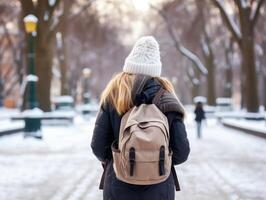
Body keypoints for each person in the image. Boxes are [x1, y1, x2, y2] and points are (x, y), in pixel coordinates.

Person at [91, 36, 190, 200]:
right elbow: (182, 152)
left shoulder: (113, 95)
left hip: (117, 184)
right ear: (156, 69)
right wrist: (154, 160)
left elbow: (98, 147)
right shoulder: (168, 99)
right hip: (160, 187)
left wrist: (121, 159)